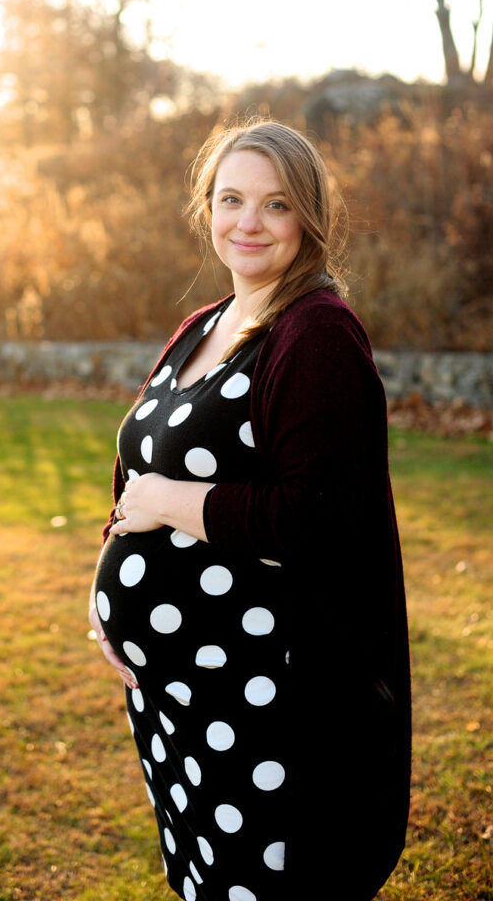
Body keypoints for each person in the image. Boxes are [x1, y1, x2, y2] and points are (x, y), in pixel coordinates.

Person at [88, 118, 411, 901]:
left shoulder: (316, 335)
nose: (249, 222)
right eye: (231, 199)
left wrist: (172, 501)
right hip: (183, 693)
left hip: (270, 701)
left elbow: (318, 519)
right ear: (206, 208)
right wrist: (106, 591)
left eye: (275, 205)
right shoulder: (203, 326)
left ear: (310, 219)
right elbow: (138, 469)